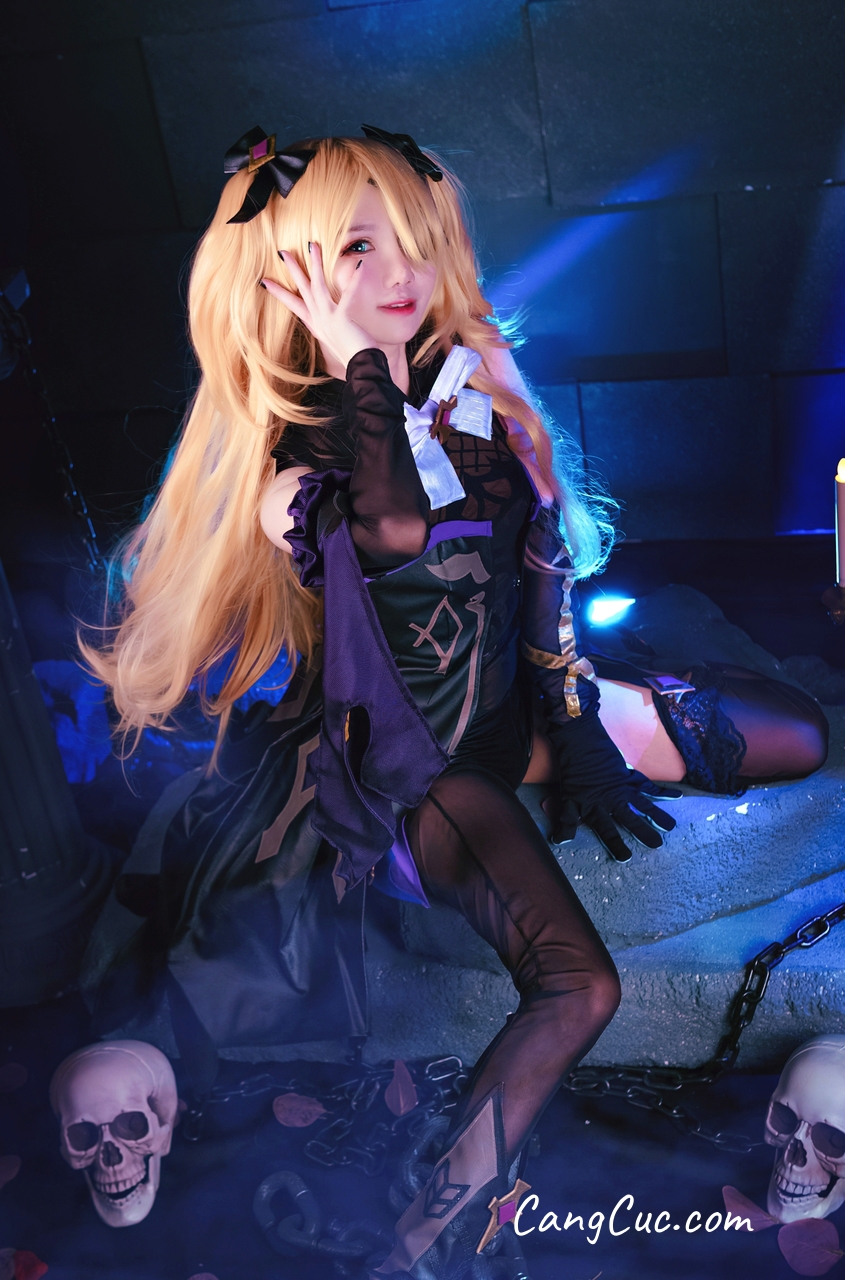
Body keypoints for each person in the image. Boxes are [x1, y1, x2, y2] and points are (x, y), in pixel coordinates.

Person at [83, 126, 828, 1280]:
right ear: (288, 277)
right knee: (578, 986)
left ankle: (590, 729)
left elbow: (553, 559)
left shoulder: (462, 401)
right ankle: (411, 1241)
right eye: (357, 249)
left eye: (415, 239)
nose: (401, 273)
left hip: (516, 709)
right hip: (415, 764)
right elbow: (391, 530)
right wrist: (358, 367)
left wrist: (576, 725)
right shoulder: (297, 472)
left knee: (793, 733)